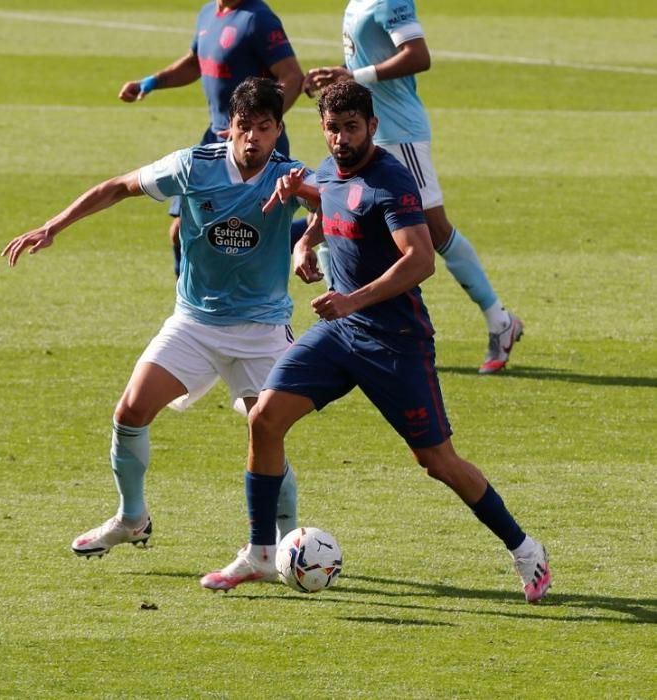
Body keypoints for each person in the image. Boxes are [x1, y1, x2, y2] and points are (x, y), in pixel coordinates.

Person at [201, 81, 551, 604]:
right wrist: (305, 241)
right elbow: (333, 205)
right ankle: (259, 552)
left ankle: (526, 551)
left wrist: (352, 299)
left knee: (437, 461)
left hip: (395, 342)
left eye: (352, 128)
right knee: (264, 418)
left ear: (373, 126)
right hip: (341, 334)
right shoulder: (326, 169)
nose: (341, 138)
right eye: (333, 128)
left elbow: (421, 258)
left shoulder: (392, 181)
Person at [2, 78, 317, 558]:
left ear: (279, 129)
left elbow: (335, 209)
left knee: (265, 429)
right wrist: (53, 226)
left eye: (265, 128)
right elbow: (118, 188)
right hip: (194, 323)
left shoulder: (290, 175)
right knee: (130, 412)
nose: (253, 138)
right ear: (228, 128)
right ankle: (132, 518)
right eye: (244, 127)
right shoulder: (193, 165)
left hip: (262, 329)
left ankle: (286, 541)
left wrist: (305, 239)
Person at [303, 0, 522, 374]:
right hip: (368, 134)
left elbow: (417, 56)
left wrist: (357, 76)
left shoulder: (392, 1)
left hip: (399, 133)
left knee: (435, 231)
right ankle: (341, 320)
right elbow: (364, 64)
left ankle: (500, 320)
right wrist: (343, 76)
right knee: (334, 211)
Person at [119, 0, 304, 277]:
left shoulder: (258, 20)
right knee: (182, 231)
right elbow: (196, 62)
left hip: (253, 147)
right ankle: (192, 305)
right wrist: (152, 81)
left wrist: (254, 126)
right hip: (214, 142)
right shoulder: (209, 13)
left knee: (249, 235)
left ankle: (318, 233)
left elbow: (292, 76)